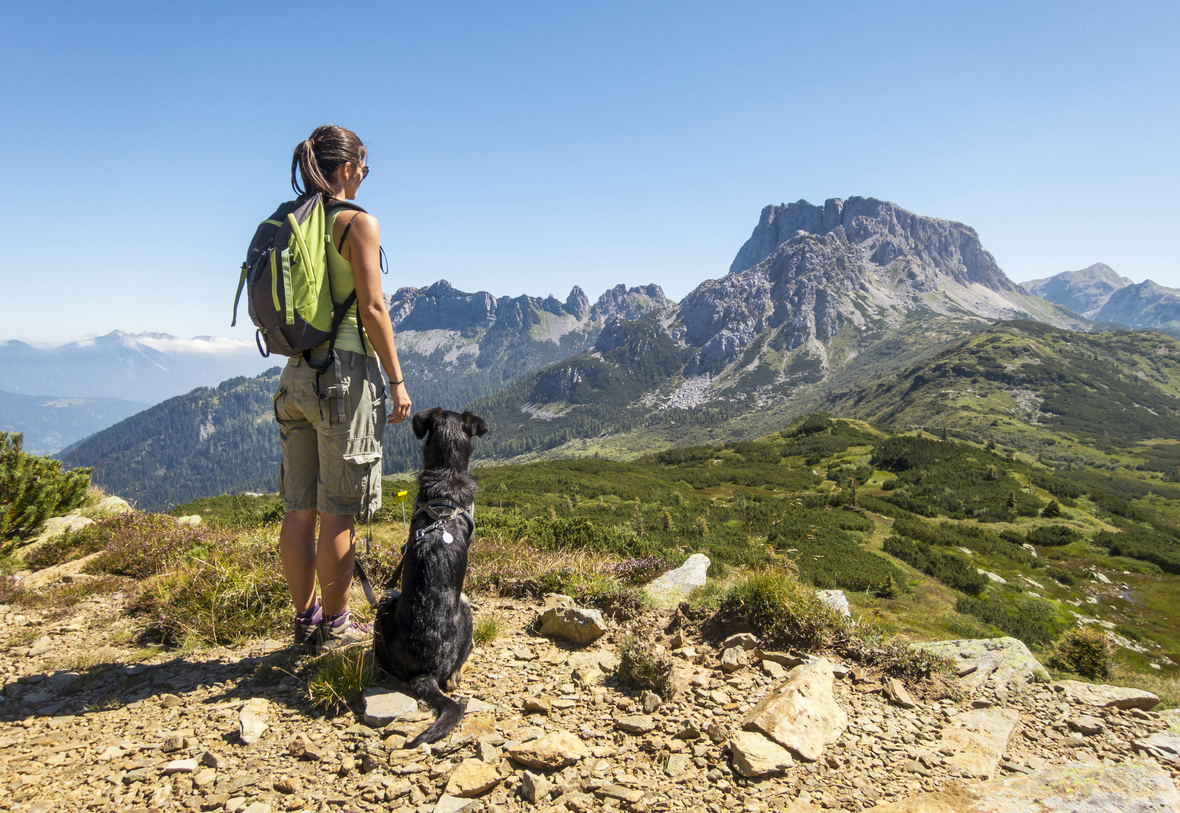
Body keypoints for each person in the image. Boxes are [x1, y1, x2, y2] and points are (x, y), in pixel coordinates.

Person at [273, 124, 412, 654]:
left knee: (298, 507)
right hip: (345, 377)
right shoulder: (358, 223)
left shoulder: (295, 221)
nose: (365, 177)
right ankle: (335, 626)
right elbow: (373, 309)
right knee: (339, 508)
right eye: (365, 168)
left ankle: (305, 618)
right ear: (348, 168)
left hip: (295, 374)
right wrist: (396, 381)